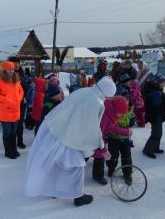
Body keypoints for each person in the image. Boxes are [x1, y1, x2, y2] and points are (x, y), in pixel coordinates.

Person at [25, 76, 116, 207]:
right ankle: (78, 197)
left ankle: (53, 189)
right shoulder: (97, 102)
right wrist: (102, 147)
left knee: (56, 162)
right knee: (76, 167)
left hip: (55, 127)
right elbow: (93, 128)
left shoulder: (84, 90)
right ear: (107, 93)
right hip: (69, 136)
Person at [92, 96, 130, 185]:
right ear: (116, 110)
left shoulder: (110, 110)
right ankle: (98, 175)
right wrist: (104, 150)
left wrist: (126, 131)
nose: (121, 116)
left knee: (97, 153)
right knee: (99, 155)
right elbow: (99, 136)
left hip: (99, 136)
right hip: (94, 137)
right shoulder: (105, 117)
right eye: (121, 114)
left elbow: (112, 126)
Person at [0, 61, 24, 159]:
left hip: (15, 111)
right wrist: (5, 99)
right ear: (4, 70)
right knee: (7, 133)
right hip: (5, 112)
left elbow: (21, 91)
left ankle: (14, 150)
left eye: (12, 69)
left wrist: (19, 98)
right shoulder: (0, 81)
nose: (11, 71)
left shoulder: (16, 80)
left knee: (13, 133)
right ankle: (8, 151)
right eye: (9, 69)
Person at [142, 74, 165, 159]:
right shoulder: (155, 92)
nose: (164, 84)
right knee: (156, 134)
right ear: (157, 83)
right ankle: (148, 150)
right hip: (156, 117)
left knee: (158, 133)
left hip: (157, 117)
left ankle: (155, 148)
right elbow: (158, 107)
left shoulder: (157, 90)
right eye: (163, 83)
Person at [9, 57, 26, 149]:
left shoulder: (22, 75)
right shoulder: (7, 75)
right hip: (11, 103)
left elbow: (25, 88)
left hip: (22, 103)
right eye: (14, 64)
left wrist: (25, 97)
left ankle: (20, 141)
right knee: (12, 124)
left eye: (18, 64)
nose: (16, 65)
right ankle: (12, 142)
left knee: (20, 123)